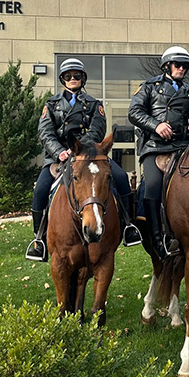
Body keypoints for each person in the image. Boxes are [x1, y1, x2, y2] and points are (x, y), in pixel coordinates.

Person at [25, 58, 143, 263]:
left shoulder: (94, 105)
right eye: (68, 76)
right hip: (58, 158)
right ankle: (39, 240)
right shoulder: (51, 105)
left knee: (121, 177)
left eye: (76, 76)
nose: (72, 79)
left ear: (82, 78)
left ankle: (127, 227)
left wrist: (79, 151)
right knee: (41, 190)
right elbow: (45, 133)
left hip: (88, 155)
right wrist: (60, 151)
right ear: (63, 79)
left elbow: (97, 130)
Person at [128, 46, 189, 259]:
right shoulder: (149, 87)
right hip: (155, 148)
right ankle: (157, 238)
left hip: (184, 147)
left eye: (185, 66)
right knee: (153, 186)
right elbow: (134, 112)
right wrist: (156, 125)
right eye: (178, 64)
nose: (182, 68)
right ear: (166, 66)